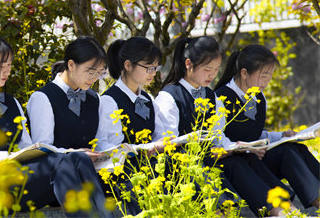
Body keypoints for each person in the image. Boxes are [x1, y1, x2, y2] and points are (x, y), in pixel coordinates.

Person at [0, 35, 111, 217]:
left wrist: (67, 153)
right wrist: (7, 157)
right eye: (1, 66)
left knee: (78, 158)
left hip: (15, 182)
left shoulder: (12, 103)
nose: (7, 71)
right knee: (64, 161)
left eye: (9, 66)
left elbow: (27, 149)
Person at [155, 36, 295, 216]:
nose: (212, 75)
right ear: (188, 64)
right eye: (207, 69)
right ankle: (278, 212)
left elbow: (219, 137)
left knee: (245, 158)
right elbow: (166, 144)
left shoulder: (211, 96)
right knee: (235, 163)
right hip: (185, 165)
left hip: (211, 160)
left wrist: (236, 147)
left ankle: (283, 209)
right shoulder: (169, 97)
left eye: (215, 70)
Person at [214, 44, 320, 209]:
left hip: (257, 158)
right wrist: (248, 149)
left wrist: (283, 135)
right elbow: (219, 140)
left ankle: (318, 197)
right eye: (263, 76)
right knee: (286, 152)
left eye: (270, 76)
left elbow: (254, 133)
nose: (267, 81)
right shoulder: (220, 99)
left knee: (293, 148)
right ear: (244, 73)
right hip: (239, 164)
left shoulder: (258, 96)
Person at [97, 36, 167, 215]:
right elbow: (110, 147)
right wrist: (149, 147)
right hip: (122, 171)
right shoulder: (109, 100)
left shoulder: (148, 99)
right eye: (148, 67)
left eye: (156, 67)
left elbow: (158, 135)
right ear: (128, 65)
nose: (153, 72)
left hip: (147, 165)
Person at [27, 36, 108, 162]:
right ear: (71, 65)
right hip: (59, 176)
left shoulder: (95, 98)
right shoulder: (43, 98)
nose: (94, 78)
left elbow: (101, 141)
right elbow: (42, 149)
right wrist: (76, 155)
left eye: (100, 72)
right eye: (90, 72)